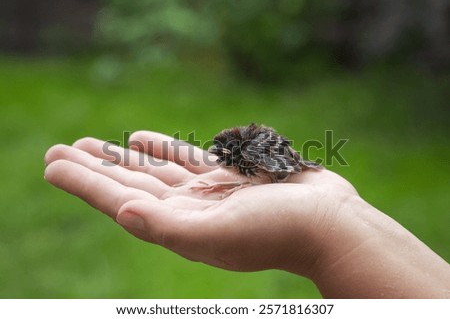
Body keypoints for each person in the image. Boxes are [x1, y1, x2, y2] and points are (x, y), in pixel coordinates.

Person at [44, 130, 450, 298]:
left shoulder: (264, 163)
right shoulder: (249, 160)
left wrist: (326, 222)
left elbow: (282, 165)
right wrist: (336, 224)